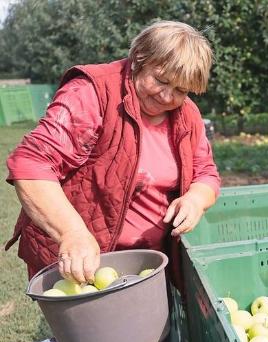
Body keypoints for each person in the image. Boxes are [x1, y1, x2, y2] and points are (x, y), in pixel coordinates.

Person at [5, 20, 221, 286]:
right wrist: (71, 233)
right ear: (140, 58)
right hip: (86, 261)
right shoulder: (92, 93)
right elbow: (32, 164)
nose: (168, 97)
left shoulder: (186, 114)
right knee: (91, 327)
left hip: (149, 263)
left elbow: (206, 172)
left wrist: (196, 199)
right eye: (161, 80)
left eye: (181, 90)